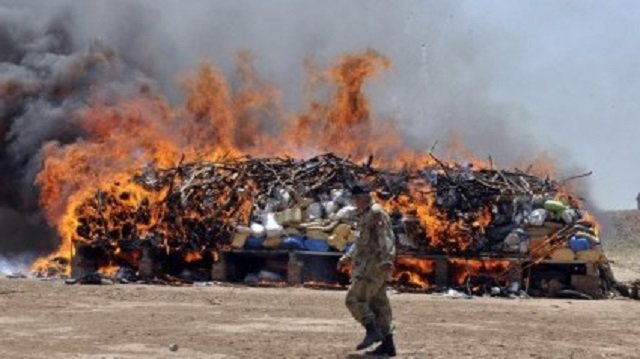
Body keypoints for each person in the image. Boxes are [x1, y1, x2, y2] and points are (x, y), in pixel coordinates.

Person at [338, 182, 397, 356]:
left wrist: (387, 259)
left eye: (357, 197)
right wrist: (346, 258)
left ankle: (371, 331)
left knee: (353, 300)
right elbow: (360, 243)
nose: (355, 201)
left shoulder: (376, 213)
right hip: (367, 266)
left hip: (373, 267)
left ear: (365, 196)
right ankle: (387, 345)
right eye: (354, 198)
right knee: (379, 306)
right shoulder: (364, 215)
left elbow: (386, 237)